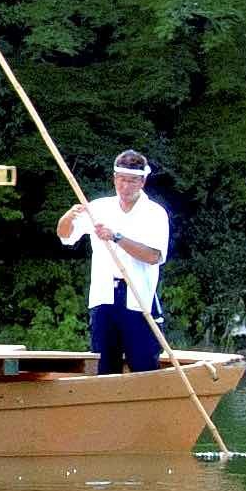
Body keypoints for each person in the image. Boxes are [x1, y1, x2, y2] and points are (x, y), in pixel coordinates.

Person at [57, 149, 173, 376]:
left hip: (138, 297)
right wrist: (69, 216)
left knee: (143, 362)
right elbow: (64, 236)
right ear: (114, 179)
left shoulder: (154, 213)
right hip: (103, 296)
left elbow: (153, 256)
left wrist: (116, 237)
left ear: (142, 181)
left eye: (132, 181)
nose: (125, 186)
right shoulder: (99, 207)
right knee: (103, 364)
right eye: (121, 180)